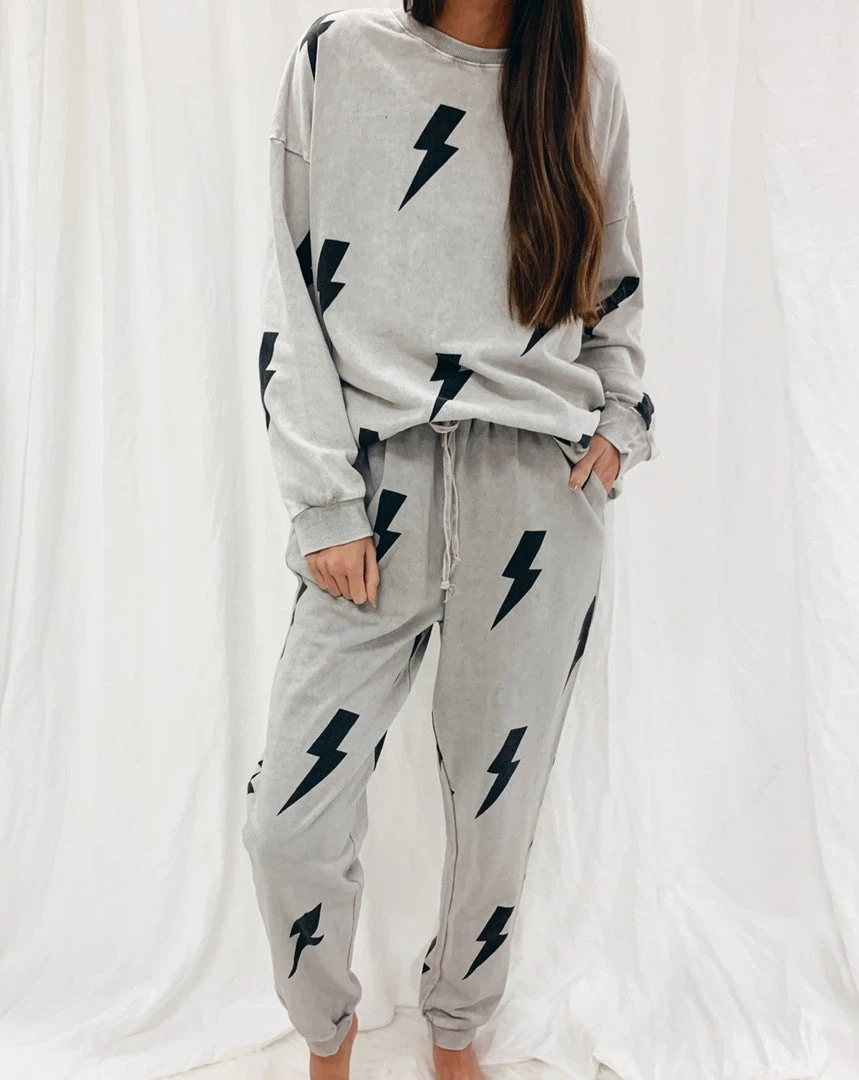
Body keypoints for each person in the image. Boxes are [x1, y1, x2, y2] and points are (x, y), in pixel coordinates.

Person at [241, 1, 659, 1077]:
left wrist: (616, 431)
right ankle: (327, 1036)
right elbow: (291, 286)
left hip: (537, 494)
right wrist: (324, 502)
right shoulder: (341, 58)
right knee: (286, 824)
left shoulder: (586, 88)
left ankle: (457, 1027)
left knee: (495, 813)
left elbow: (614, 295)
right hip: (374, 486)